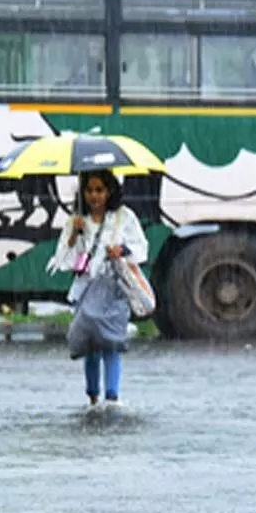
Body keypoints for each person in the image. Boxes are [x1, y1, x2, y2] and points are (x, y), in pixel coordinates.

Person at [48, 170, 149, 408]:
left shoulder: (125, 218)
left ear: (109, 191)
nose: (95, 196)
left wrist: (122, 251)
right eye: (90, 190)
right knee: (91, 345)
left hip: (114, 288)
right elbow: (63, 258)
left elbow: (141, 247)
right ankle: (93, 397)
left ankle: (112, 397)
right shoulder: (76, 220)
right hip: (87, 289)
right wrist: (75, 234)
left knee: (112, 343)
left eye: (100, 190)